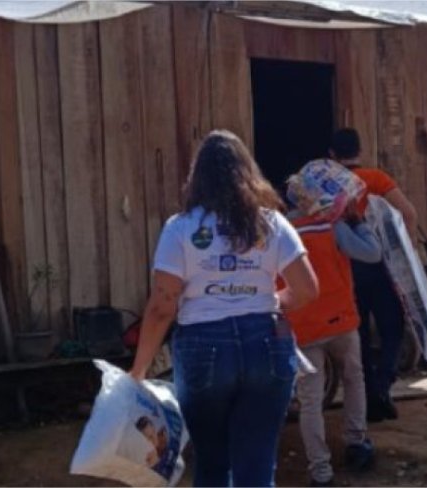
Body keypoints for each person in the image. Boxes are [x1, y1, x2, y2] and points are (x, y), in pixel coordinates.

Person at [129, 130, 319, 487]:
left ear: (197, 176)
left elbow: (162, 306)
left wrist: (138, 371)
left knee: (213, 465)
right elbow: (308, 289)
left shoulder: (181, 228)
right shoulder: (272, 222)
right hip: (267, 344)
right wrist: (272, 302)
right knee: (257, 466)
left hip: (203, 346)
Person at [284, 162, 381, 486]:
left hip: (302, 327)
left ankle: (321, 472)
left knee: (310, 401)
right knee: (354, 379)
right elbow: (372, 253)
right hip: (340, 321)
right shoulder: (331, 225)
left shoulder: (279, 231)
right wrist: (357, 220)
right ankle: (356, 443)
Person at [330, 128, 418, 422]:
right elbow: (408, 213)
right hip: (382, 265)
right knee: (392, 327)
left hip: (347, 266)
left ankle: (369, 397)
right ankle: (383, 386)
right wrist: (408, 255)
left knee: (359, 334)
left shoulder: (329, 186)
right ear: (360, 150)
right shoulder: (376, 179)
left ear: (332, 155)